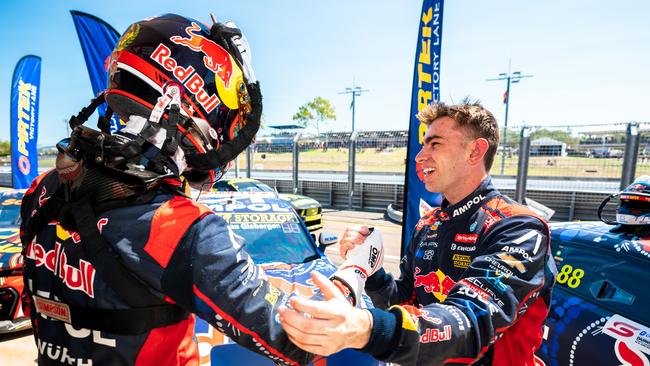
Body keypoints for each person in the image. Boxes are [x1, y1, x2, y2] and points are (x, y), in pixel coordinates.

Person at [20, 14, 313, 365]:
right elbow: (295, 338)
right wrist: (352, 278)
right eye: (230, 120)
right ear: (194, 100)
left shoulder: (45, 187)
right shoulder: (182, 227)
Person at [279, 100, 558, 365]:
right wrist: (373, 273)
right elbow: (406, 301)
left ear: (475, 151)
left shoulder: (519, 227)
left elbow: (471, 321)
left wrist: (365, 328)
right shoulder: (428, 225)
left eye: (435, 144)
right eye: (423, 145)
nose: (420, 156)